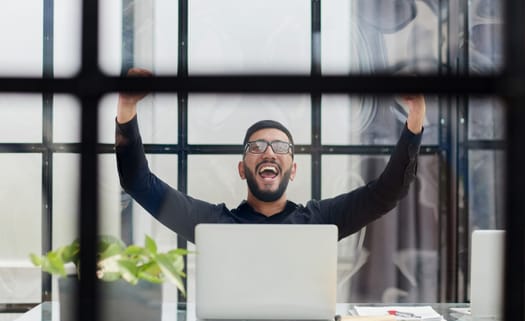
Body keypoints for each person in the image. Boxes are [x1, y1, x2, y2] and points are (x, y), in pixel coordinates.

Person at [116, 68, 426, 243]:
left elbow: (388, 192)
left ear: (293, 170)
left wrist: (415, 115)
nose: (268, 152)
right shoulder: (211, 224)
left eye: (280, 148)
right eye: (257, 147)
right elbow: (138, 183)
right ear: (242, 168)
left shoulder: (320, 221)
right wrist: (127, 108)